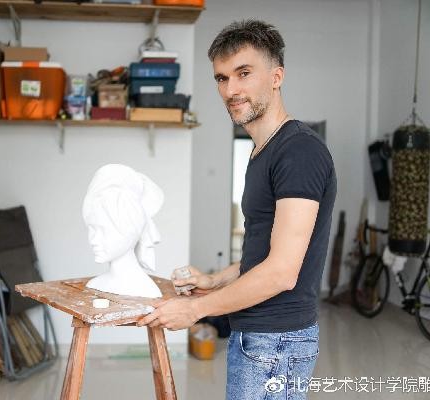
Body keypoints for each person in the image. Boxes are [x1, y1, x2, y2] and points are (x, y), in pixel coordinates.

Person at [138, 20, 336, 400]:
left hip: (276, 343)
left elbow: (281, 272)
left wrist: (195, 310)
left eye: (244, 73)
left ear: (276, 76)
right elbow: (264, 253)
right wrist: (216, 280)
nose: (230, 90)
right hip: (259, 336)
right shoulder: (263, 152)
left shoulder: (298, 151)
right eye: (222, 78)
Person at [82, 164, 165, 298]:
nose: (93, 240)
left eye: (103, 230)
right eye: (91, 229)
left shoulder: (145, 291)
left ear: (129, 231)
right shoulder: (96, 284)